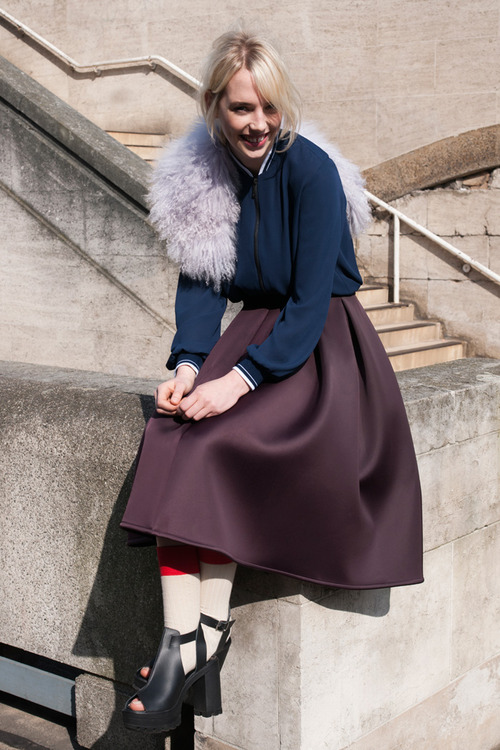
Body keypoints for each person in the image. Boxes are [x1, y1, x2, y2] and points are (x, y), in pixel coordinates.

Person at [121, 29, 423, 734]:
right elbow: (202, 285)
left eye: (268, 107)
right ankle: (189, 639)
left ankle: (195, 641)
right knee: (171, 435)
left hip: (321, 347)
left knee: (219, 447)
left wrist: (238, 381)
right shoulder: (202, 176)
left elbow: (311, 303)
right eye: (240, 109)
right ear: (214, 107)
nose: (258, 123)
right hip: (251, 336)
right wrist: (189, 366)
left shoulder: (311, 172)